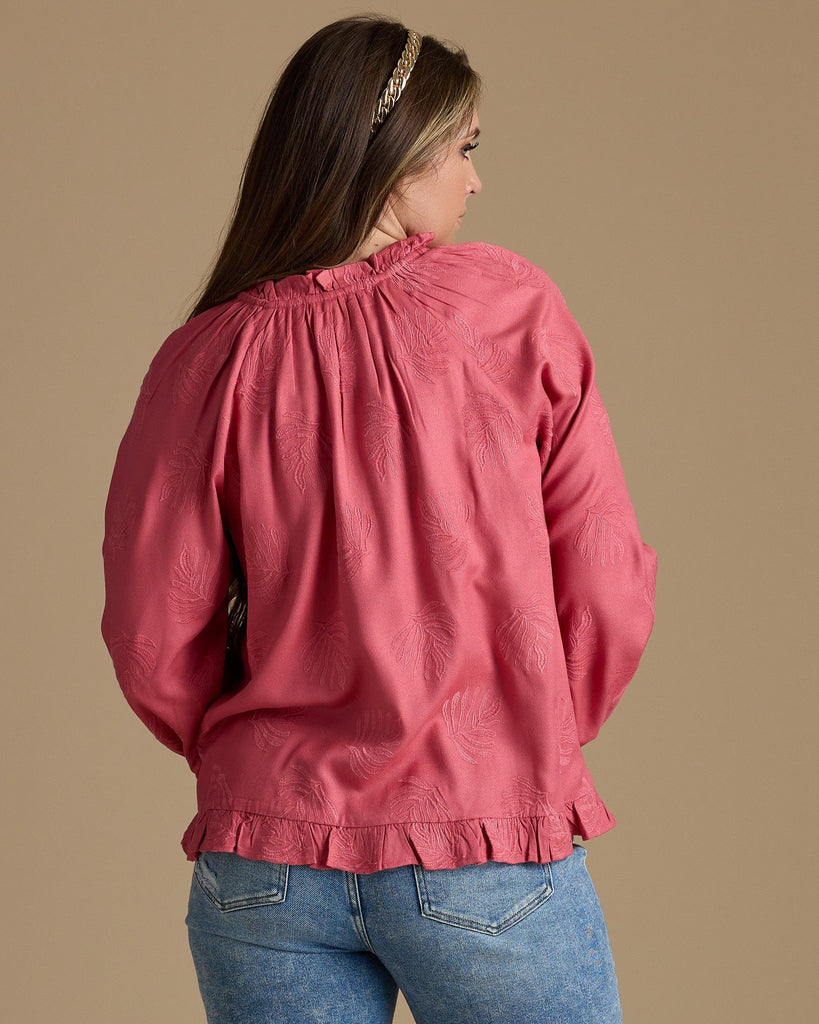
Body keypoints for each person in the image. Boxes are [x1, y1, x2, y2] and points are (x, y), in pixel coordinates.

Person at [100, 13, 657, 1024]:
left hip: (262, 864)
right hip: (484, 842)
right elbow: (608, 579)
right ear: (393, 158)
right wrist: (522, 741)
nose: (474, 180)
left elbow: (148, 633)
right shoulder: (506, 306)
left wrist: (254, 758)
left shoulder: (203, 360)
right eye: (464, 147)